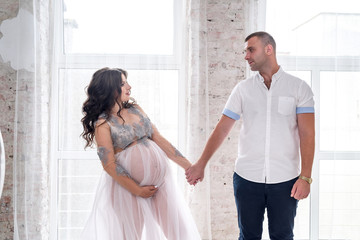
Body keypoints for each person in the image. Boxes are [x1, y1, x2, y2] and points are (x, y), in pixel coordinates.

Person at [186, 31, 315, 240]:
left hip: (286, 180)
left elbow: (307, 134)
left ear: (269, 49)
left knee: (283, 236)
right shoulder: (242, 89)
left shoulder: (299, 88)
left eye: (250, 50)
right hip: (247, 179)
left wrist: (306, 177)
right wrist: (201, 163)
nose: (246, 56)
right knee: (248, 237)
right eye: (245, 51)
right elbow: (222, 128)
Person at [80, 67, 201, 240]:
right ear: (110, 88)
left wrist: (189, 167)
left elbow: (158, 138)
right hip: (128, 190)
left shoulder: (136, 109)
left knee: (178, 232)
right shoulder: (103, 123)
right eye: (123, 83)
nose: (129, 86)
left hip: (160, 184)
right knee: (131, 236)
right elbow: (108, 164)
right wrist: (137, 190)